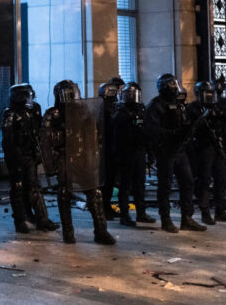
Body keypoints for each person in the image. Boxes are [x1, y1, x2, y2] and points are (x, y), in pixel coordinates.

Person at [41, 80, 116, 245]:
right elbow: (45, 142)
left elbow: (94, 133)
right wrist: (50, 167)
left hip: (82, 156)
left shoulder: (84, 110)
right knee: (64, 194)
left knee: (94, 193)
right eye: (68, 93)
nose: (72, 96)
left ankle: (101, 231)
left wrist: (94, 157)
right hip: (64, 156)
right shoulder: (53, 114)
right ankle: (68, 232)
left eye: (73, 92)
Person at [145, 74, 206, 233]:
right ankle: (165, 219)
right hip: (165, 151)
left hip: (180, 150)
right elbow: (153, 131)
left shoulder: (178, 104)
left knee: (188, 182)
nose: (174, 89)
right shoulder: (155, 106)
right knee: (165, 186)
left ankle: (187, 218)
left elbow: (183, 122)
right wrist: (174, 134)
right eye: (171, 86)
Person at [0, 83, 59, 234]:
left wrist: (39, 151)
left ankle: (42, 220)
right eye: (27, 96)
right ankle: (20, 221)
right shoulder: (10, 113)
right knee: (18, 188)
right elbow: (8, 140)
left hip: (30, 154)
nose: (30, 99)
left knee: (34, 187)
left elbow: (39, 132)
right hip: (16, 157)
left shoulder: (34, 110)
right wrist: (15, 157)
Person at [186, 81, 226, 225]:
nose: (209, 96)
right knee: (204, 180)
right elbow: (192, 127)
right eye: (206, 93)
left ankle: (220, 211)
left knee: (221, 179)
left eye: (211, 93)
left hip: (218, 146)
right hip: (203, 148)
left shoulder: (219, 105)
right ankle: (205, 212)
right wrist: (205, 115)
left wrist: (219, 113)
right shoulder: (193, 108)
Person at [113, 82, 156, 227]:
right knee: (126, 186)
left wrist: (150, 152)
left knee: (139, 185)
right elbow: (117, 137)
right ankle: (124, 215)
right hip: (127, 153)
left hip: (139, 151)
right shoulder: (121, 113)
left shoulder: (142, 110)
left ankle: (141, 213)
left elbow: (147, 132)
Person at [98, 77, 125, 220]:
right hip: (104, 148)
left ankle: (107, 206)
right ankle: (103, 208)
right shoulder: (100, 107)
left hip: (114, 147)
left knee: (111, 181)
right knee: (105, 181)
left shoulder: (116, 106)